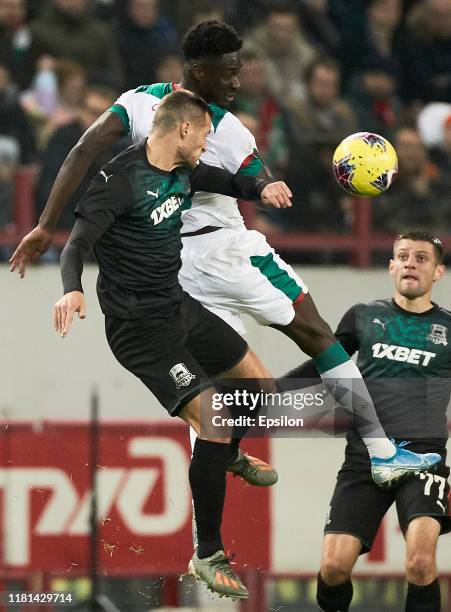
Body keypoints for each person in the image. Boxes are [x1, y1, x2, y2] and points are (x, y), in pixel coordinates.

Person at [11, 20, 441, 487]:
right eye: (229, 72)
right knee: (316, 333)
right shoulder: (227, 128)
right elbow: (249, 178)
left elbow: (83, 149)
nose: (238, 81)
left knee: (218, 399)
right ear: (198, 70)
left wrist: (44, 223)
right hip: (228, 253)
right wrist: (269, 184)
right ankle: (381, 453)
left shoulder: (139, 101)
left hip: (176, 264)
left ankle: (205, 543)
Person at [53, 90, 292, 600]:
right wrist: (71, 288)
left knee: (260, 388)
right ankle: (207, 551)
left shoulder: (184, 171)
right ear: (183, 128)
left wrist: (261, 188)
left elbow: (224, 180)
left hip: (177, 306)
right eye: (206, 133)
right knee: (216, 417)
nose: (209, 143)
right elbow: (77, 243)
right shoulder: (117, 181)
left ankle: (225, 455)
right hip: (139, 328)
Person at [284, 231, 450, 612]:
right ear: (392, 267)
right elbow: (326, 363)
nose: (411, 263)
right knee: (333, 567)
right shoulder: (364, 317)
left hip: (424, 461)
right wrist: (274, 391)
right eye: (403, 256)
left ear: (438, 272)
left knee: (421, 561)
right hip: (365, 461)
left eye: (421, 258)